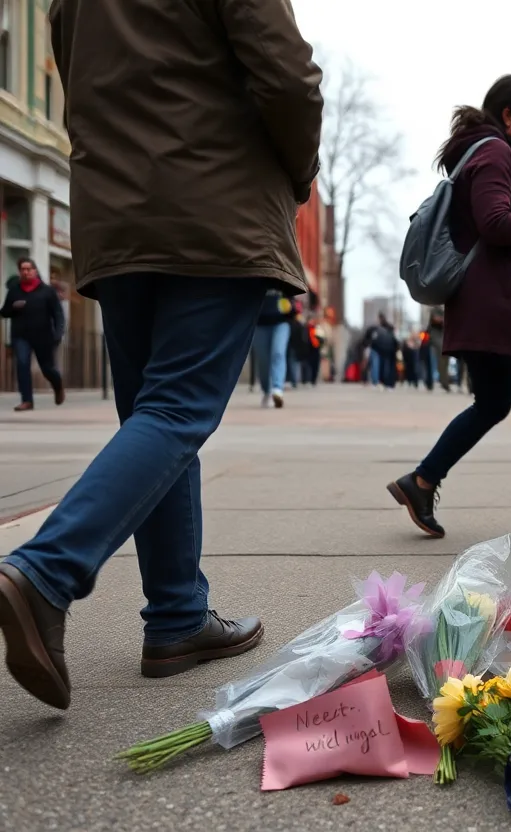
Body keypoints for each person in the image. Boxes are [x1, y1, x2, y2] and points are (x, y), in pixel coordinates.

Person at [0, 0, 322, 711]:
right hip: (213, 211)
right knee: (177, 412)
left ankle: (177, 617)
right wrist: (297, 175)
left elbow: (78, 87)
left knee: (156, 418)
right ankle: (44, 571)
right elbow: (290, 81)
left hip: (117, 220)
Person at [387, 74, 511, 542]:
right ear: (507, 115)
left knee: (492, 403)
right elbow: (494, 222)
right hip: (505, 308)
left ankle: (422, 481)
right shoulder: (494, 152)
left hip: (486, 308)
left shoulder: (488, 151)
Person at [1, 258, 65, 411]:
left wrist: (58, 333)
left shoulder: (47, 291)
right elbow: (4, 312)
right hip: (21, 336)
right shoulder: (14, 290)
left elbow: (58, 314)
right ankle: (27, 401)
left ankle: (58, 385)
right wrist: (13, 307)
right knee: (22, 365)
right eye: (23, 269)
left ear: (35, 271)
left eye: (29, 269)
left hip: (43, 337)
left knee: (47, 369)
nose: (26, 272)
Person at [252, 288, 295, 407]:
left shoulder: (283, 274)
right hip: (260, 323)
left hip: (281, 322)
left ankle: (277, 389)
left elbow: (292, 295)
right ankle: (266, 391)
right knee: (263, 359)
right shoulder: (257, 275)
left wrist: (291, 306)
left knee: (278, 353)